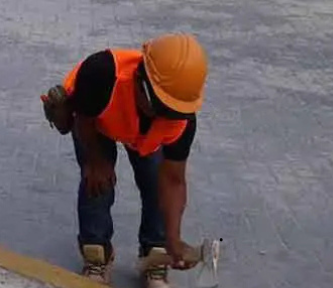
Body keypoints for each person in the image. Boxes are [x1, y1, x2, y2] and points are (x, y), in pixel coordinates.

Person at [40, 33, 208, 287]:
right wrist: (96, 162)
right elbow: (83, 119)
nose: (165, 116)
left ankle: (156, 256)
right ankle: (96, 255)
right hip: (97, 124)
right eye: (160, 106)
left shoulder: (181, 119)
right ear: (140, 79)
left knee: (155, 183)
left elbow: (173, 181)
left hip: (142, 136)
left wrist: (173, 239)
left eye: (172, 112)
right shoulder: (101, 74)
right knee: (97, 184)